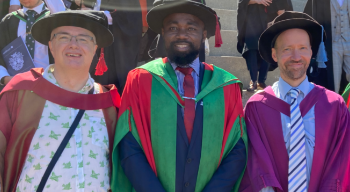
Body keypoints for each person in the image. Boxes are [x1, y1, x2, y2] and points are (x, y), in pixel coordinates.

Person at [111, 1, 247, 191]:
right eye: (173, 27)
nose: (182, 34)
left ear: (204, 34)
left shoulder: (226, 86)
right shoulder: (140, 79)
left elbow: (237, 148)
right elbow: (128, 143)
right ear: (163, 32)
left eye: (191, 28)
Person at [0, 10, 121, 191]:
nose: (73, 45)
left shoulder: (108, 104)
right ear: (51, 45)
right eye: (64, 37)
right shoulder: (21, 92)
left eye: (83, 38)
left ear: (95, 48)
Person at [239, 11, 350, 192]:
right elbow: (256, 164)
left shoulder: (334, 105)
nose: (296, 57)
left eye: (303, 48)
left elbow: (342, 161)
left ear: (312, 51)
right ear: (274, 55)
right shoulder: (257, 107)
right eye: (287, 49)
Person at [0, 0, 66, 87]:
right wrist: (5, 78)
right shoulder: (8, 21)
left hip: (51, 84)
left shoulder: (54, 19)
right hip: (17, 86)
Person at [237, 0, 291, 92]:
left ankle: (261, 81)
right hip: (252, 19)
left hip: (269, 19)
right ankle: (253, 80)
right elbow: (242, 2)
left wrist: (283, 10)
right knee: (252, 49)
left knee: (267, 48)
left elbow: (284, 3)